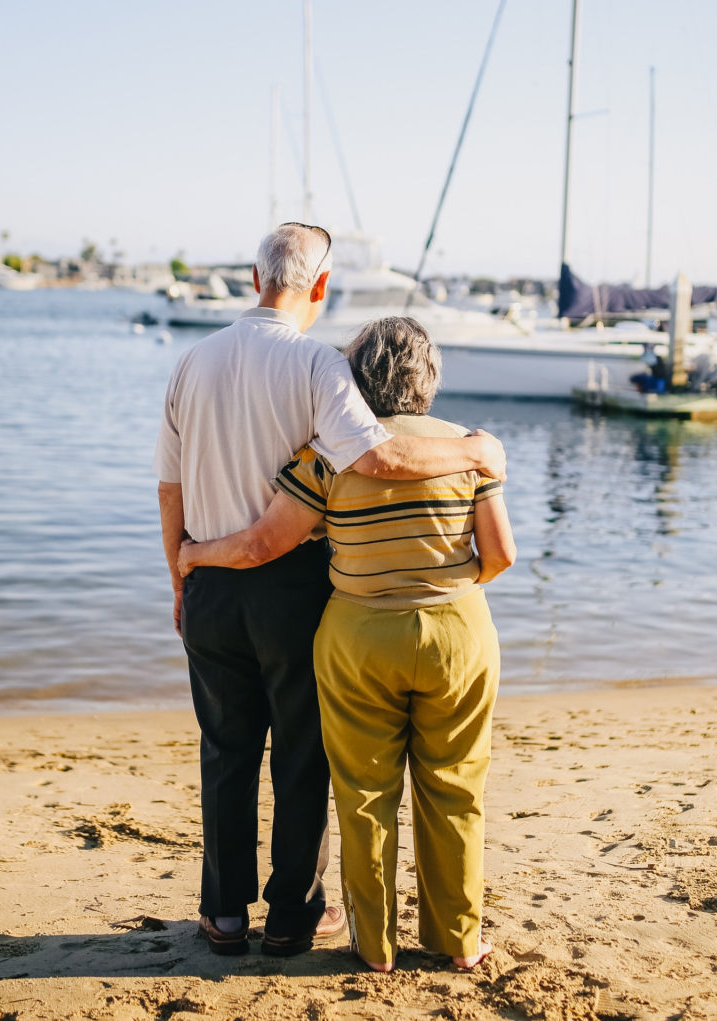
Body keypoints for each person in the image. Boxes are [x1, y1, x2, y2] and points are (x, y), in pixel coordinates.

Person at [154, 225, 508, 958]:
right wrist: (475, 453)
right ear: (318, 286)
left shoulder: (191, 361)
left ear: (255, 278)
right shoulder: (319, 364)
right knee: (301, 755)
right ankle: (291, 915)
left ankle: (222, 916)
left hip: (211, 580)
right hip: (292, 588)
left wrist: (180, 573)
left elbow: (171, 488)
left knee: (224, 750)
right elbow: (379, 453)